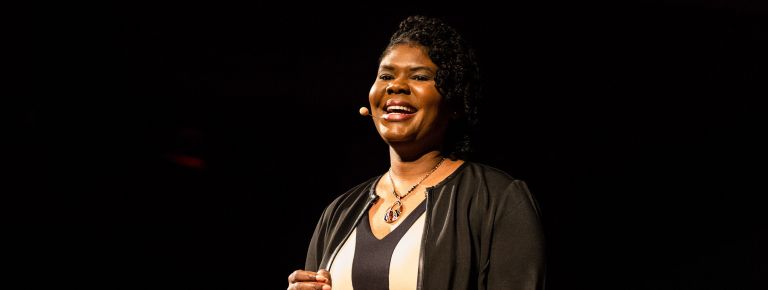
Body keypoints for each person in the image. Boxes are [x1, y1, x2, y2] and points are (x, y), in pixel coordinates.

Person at [288, 15, 545, 290]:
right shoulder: (338, 214)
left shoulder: (498, 200)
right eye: (386, 75)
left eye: (420, 76)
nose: (395, 86)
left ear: (454, 102)